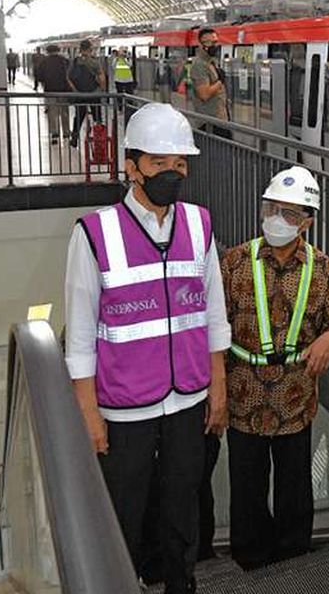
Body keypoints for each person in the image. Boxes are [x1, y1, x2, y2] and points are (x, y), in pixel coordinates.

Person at [64, 102, 229, 594]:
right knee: (124, 510)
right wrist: (89, 415)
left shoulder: (200, 225)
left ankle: (181, 586)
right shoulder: (94, 234)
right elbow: (78, 337)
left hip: (188, 400)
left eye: (180, 164)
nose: (172, 174)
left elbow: (214, 316)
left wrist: (217, 390)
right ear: (131, 166)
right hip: (124, 408)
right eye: (159, 164)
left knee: (183, 504)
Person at [222, 166, 329, 569]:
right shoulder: (236, 262)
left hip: (295, 398)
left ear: (308, 223)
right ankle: (250, 557)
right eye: (272, 208)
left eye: (292, 214)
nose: (278, 219)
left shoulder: (323, 269)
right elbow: (212, 328)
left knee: (294, 485)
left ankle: (293, 558)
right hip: (243, 394)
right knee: (246, 484)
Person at [189, 28, 231, 139]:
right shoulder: (199, 65)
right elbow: (204, 94)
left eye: (215, 42)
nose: (214, 45)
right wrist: (220, 81)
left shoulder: (212, 62)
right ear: (201, 44)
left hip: (220, 119)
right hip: (209, 122)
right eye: (210, 42)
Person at [69, 39, 106, 149]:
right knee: (97, 117)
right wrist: (102, 89)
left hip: (80, 95)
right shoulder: (94, 62)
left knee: (78, 117)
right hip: (94, 94)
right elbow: (101, 77)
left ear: (80, 49)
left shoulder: (75, 61)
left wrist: (75, 90)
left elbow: (68, 77)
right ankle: (99, 141)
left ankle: (74, 139)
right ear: (90, 49)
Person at [38, 44, 72, 143]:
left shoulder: (44, 62)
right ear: (58, 50)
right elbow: (70, 75)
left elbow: (39, 76)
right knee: (64, 112)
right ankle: (66, 133)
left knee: (52, 113)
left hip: (50, 90)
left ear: (48, 51)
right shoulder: (65, 61)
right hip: (63, 91)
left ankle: (54, 133)